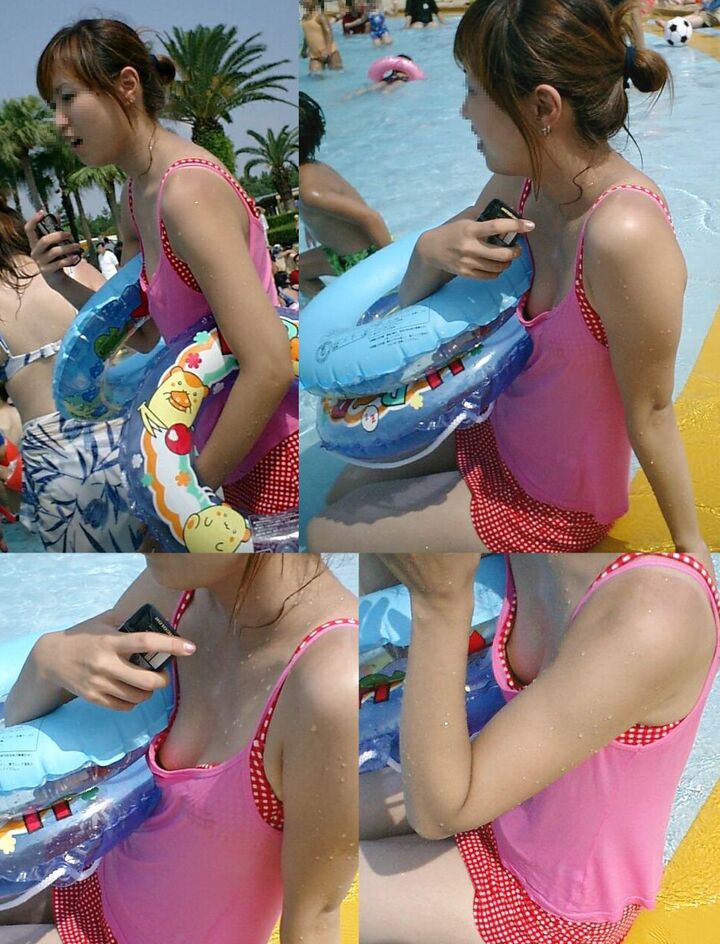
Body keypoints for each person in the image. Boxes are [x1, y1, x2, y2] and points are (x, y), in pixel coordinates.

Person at [307, 0, 710, 568]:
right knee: (339, 495)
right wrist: (428, 253)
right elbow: (416, 317)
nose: (464, 111)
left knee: (324, 530)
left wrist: (693, 550)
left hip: (553, 500)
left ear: (543, 107)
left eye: (474, 90)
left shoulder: (624, 235)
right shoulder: (520, 184)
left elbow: (652, 410)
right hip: (494, 432)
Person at [360, 551, 720, 944]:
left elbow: (438, 817)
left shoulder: (652, 617)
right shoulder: (533, 543)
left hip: (544, 909)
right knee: (307, 806)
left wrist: (439, 604)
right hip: (491, 797)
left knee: (309, 886)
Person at [0, 553, 358, 944]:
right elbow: (20, 734)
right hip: (86, 888)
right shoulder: (175, 589)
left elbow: (315, 917)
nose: (141, 535)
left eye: (168, 519)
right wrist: (45, 662)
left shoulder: (326, 683)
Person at [30, 19, 297, 529]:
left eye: (67, 98)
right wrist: (64, 281)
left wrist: (187, 504)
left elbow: (269, 366)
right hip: (222, 450)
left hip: (270, 456)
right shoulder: (136, 199)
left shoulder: (186, 193)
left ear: (127, 85)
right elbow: (151, 334)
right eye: (52, 106)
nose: (59, 122)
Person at [0, 197, 142, 552]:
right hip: (126, 435)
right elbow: (141, 337)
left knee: (88, 570)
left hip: (55, 461)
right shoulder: (72, 270)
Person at [299, 92, 392, 298]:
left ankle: (330, 309)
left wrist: (394, 266)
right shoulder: (314, 167)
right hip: (341, 254)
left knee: (299, 274)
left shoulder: (309, 191)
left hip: (361, 260)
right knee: (300, 268)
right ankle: (329, 307)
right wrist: (309, 222)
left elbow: (371, 217)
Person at [302, 0, 344, 73]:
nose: (304, 1)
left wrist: (327, 50)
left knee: (338, 73)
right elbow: (307, 36)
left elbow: (329, 33)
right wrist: (304, 49)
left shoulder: (320, 17)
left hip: (331, 52)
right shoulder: (304, 19)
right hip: (315, 56)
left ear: (315, 2)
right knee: (315, 75)